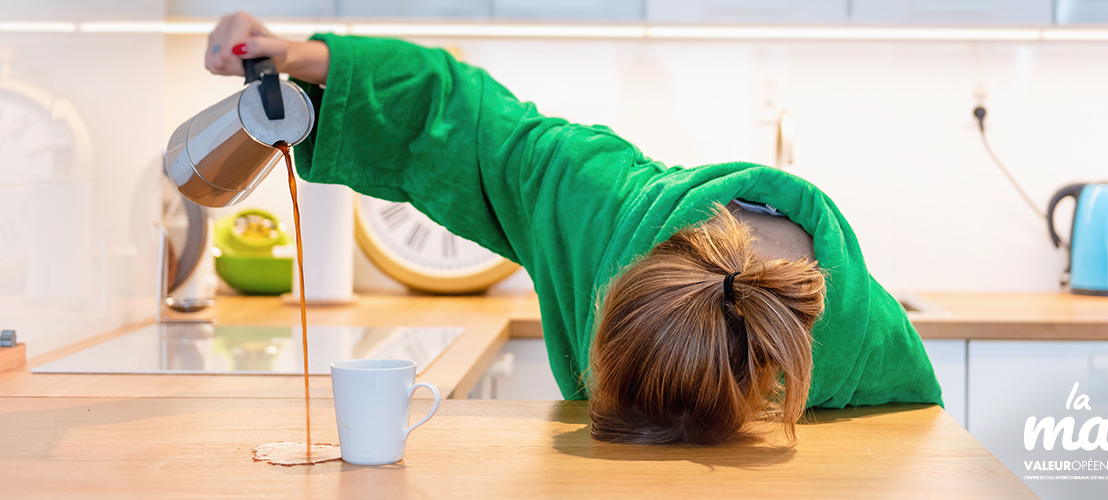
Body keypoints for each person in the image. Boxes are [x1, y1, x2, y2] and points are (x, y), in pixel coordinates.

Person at [205, 12, 942, 445]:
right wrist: (307, 59)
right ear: (610, 285)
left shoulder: (863, 344)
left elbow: (909, 451)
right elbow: (463, 117)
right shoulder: (594, 203)